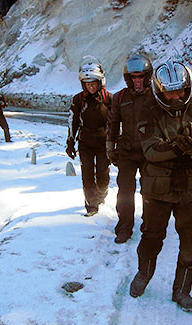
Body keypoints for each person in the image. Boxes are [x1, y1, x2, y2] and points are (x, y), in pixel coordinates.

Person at [129, 60, 192, 313]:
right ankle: (143, 274)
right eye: (170, 92)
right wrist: (178, 146)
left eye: (180, 91)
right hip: (157, 187)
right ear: (159, 90)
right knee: (152, 236)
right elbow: (152, 151)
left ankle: (182, 291)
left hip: (190, 186)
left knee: (191, 239)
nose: (176, 96)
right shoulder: (148, 109)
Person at [106, 53, 153, 244]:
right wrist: (110, 147)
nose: (137, 81)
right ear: (128, 78)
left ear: (147, 76)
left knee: (149, 191)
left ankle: (150, 225)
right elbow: (112, 123)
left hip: (150, 151)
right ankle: (124, 227)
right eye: (134, 77)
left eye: (141, 76)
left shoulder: (155, 96)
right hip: (126, 151)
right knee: (125, 191)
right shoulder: (119, 98)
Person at [66, 55, 112, 217]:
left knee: (102, 174)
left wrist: (116, 142)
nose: (91, 87)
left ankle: (102, 193)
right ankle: (91, 205)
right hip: (85, 142)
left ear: (100, 82)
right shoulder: (78, 100)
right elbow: (73, 121)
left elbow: (117, 122)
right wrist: (70, 142)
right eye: (88, 84)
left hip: (103, 143)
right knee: (87, 173)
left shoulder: (109, 99)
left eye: (93, 83)